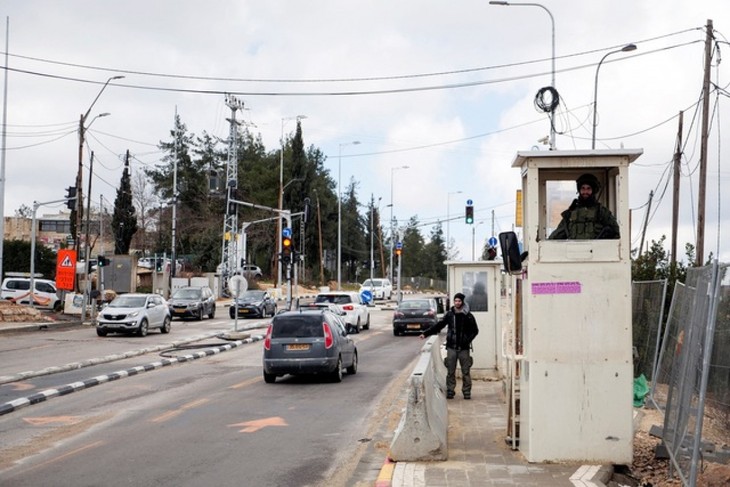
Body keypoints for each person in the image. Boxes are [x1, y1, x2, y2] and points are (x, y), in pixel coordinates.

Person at [419, 293, 479, 400]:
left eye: (459, 301)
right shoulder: (450, 314)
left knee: (466, 371)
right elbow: (439, 325)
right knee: (450, 371)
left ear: (462, 302)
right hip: (451, 347)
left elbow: (475, 331)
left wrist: (467, 340)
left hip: (464, 348)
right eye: (455, 301)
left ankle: (466, 392)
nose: (457, 303)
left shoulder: (468, 316)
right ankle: (450, 391)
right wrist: (426, 333)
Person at [548, 173, 620, 240]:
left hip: (597, 252)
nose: (585, 192)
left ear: (593, 190)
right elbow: (557, 235)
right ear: (579, 190)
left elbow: (617, 234)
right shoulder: (571, 213)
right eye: (583, 188)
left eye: (588, 188)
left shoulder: (602, 212)